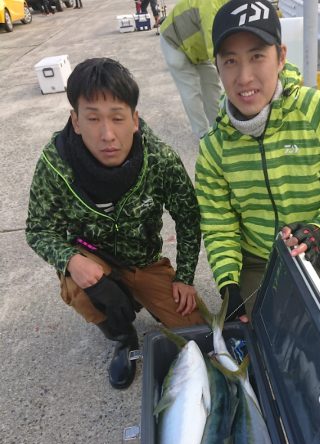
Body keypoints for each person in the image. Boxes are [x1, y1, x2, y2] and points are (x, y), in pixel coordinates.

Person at [195, 0, 320, 357]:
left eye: (256, 56)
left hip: (318, 247)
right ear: (217, 68)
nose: (244, 77)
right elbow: (219, 227)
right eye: (230, 61)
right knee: (258, 346)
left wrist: (319, 230)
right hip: (255, 258)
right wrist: (229, 286)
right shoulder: (213, 149)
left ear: (280, 56)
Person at [26, 58, 203, 390]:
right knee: (78, 287)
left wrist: (185, 276)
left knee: (196, 331)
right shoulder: (54, 162)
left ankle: (135, 295)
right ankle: (123, 337)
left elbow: (189, 216)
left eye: (117, 118)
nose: (107, 134)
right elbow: (38, 228)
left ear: (134, 120)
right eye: (92, 118)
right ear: (75, 121)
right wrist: (71, 260)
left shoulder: (160, 159)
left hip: (144, 262)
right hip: (94, 260)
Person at [159, 0, 229, 139]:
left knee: (212, 86)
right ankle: (203, 134)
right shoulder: (211, 5)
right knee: (191, 90)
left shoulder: (229, 5)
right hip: (174, 42)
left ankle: (219, 128)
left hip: (196, 50)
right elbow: (214, 46)